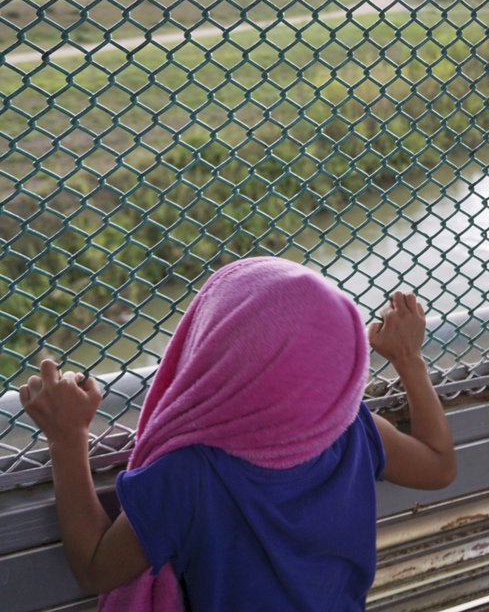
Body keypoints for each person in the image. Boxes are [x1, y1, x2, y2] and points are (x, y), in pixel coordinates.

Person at [18, 257, 456, 611]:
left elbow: (96, 568)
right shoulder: (351, 429)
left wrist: (66, 437)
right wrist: (408, 360)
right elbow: (438, 465)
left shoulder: (190, 473)